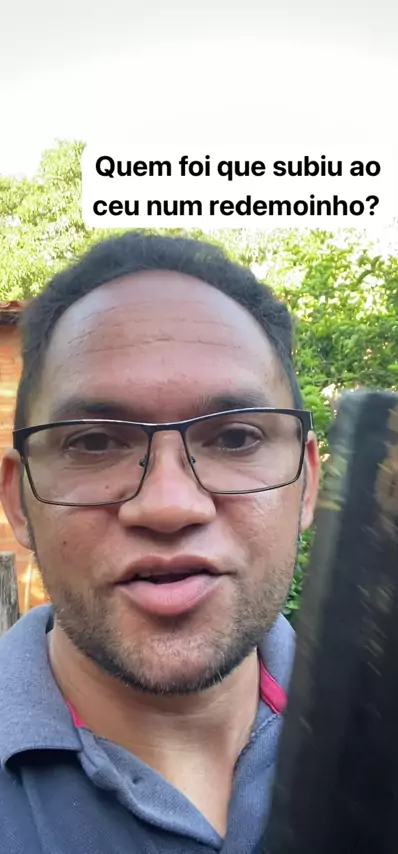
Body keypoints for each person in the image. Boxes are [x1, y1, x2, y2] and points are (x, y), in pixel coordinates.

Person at [0, 232, 320, 853]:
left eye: (235, 438)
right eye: (94, 442)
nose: (169, 506)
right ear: (19, 501)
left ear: (306, 484)